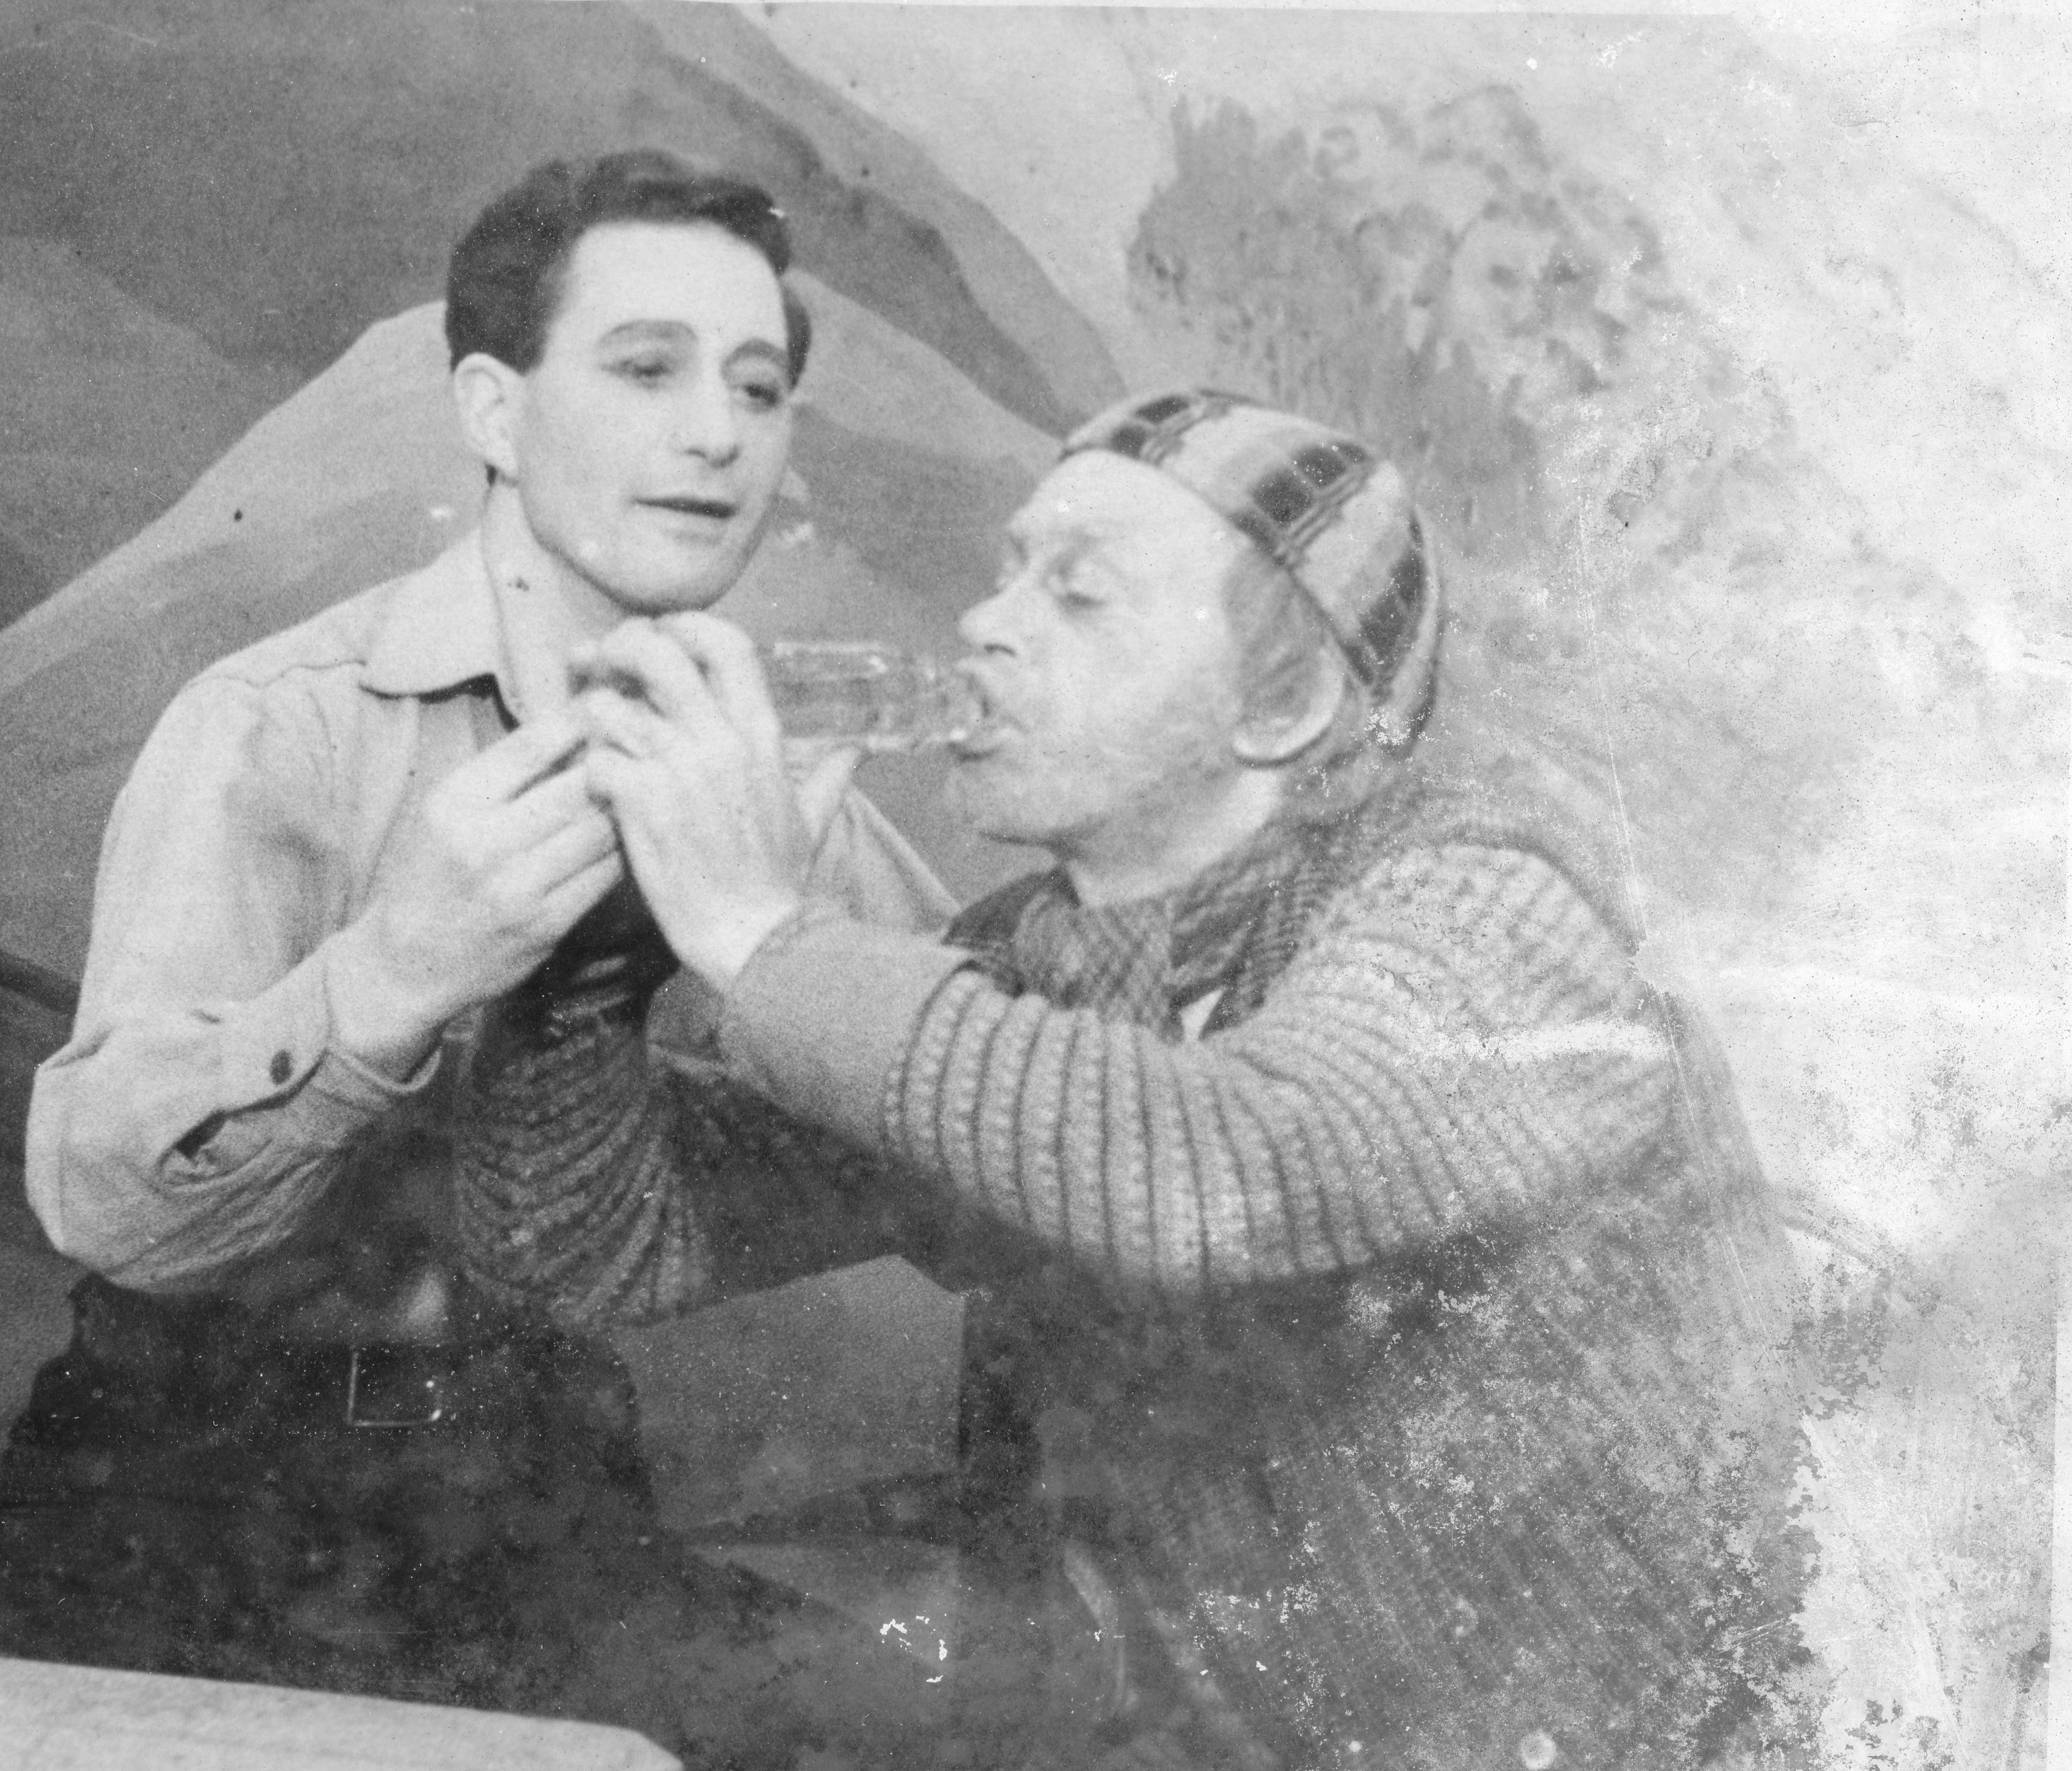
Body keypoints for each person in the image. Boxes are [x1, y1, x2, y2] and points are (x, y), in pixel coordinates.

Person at [457, 390, 1812, 1768]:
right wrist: (609, 951)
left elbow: (1235, 1170)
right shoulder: (1029, 963)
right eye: (1008, 572)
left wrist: (756, 930)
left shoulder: (1491, 897)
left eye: (1080, 593)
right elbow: (604, 1261)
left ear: (1284, 700)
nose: (986, 623)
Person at [0, 149, 954, 1755]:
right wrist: (401, 969)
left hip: (528, 1485)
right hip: (186, 1507)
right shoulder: (280, 726)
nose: (720, 432)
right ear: (494, 412)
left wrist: (789, 949)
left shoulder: (767, 771)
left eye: (758, 386)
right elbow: (107, 1205)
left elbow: (966, 1111)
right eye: (648, 368)